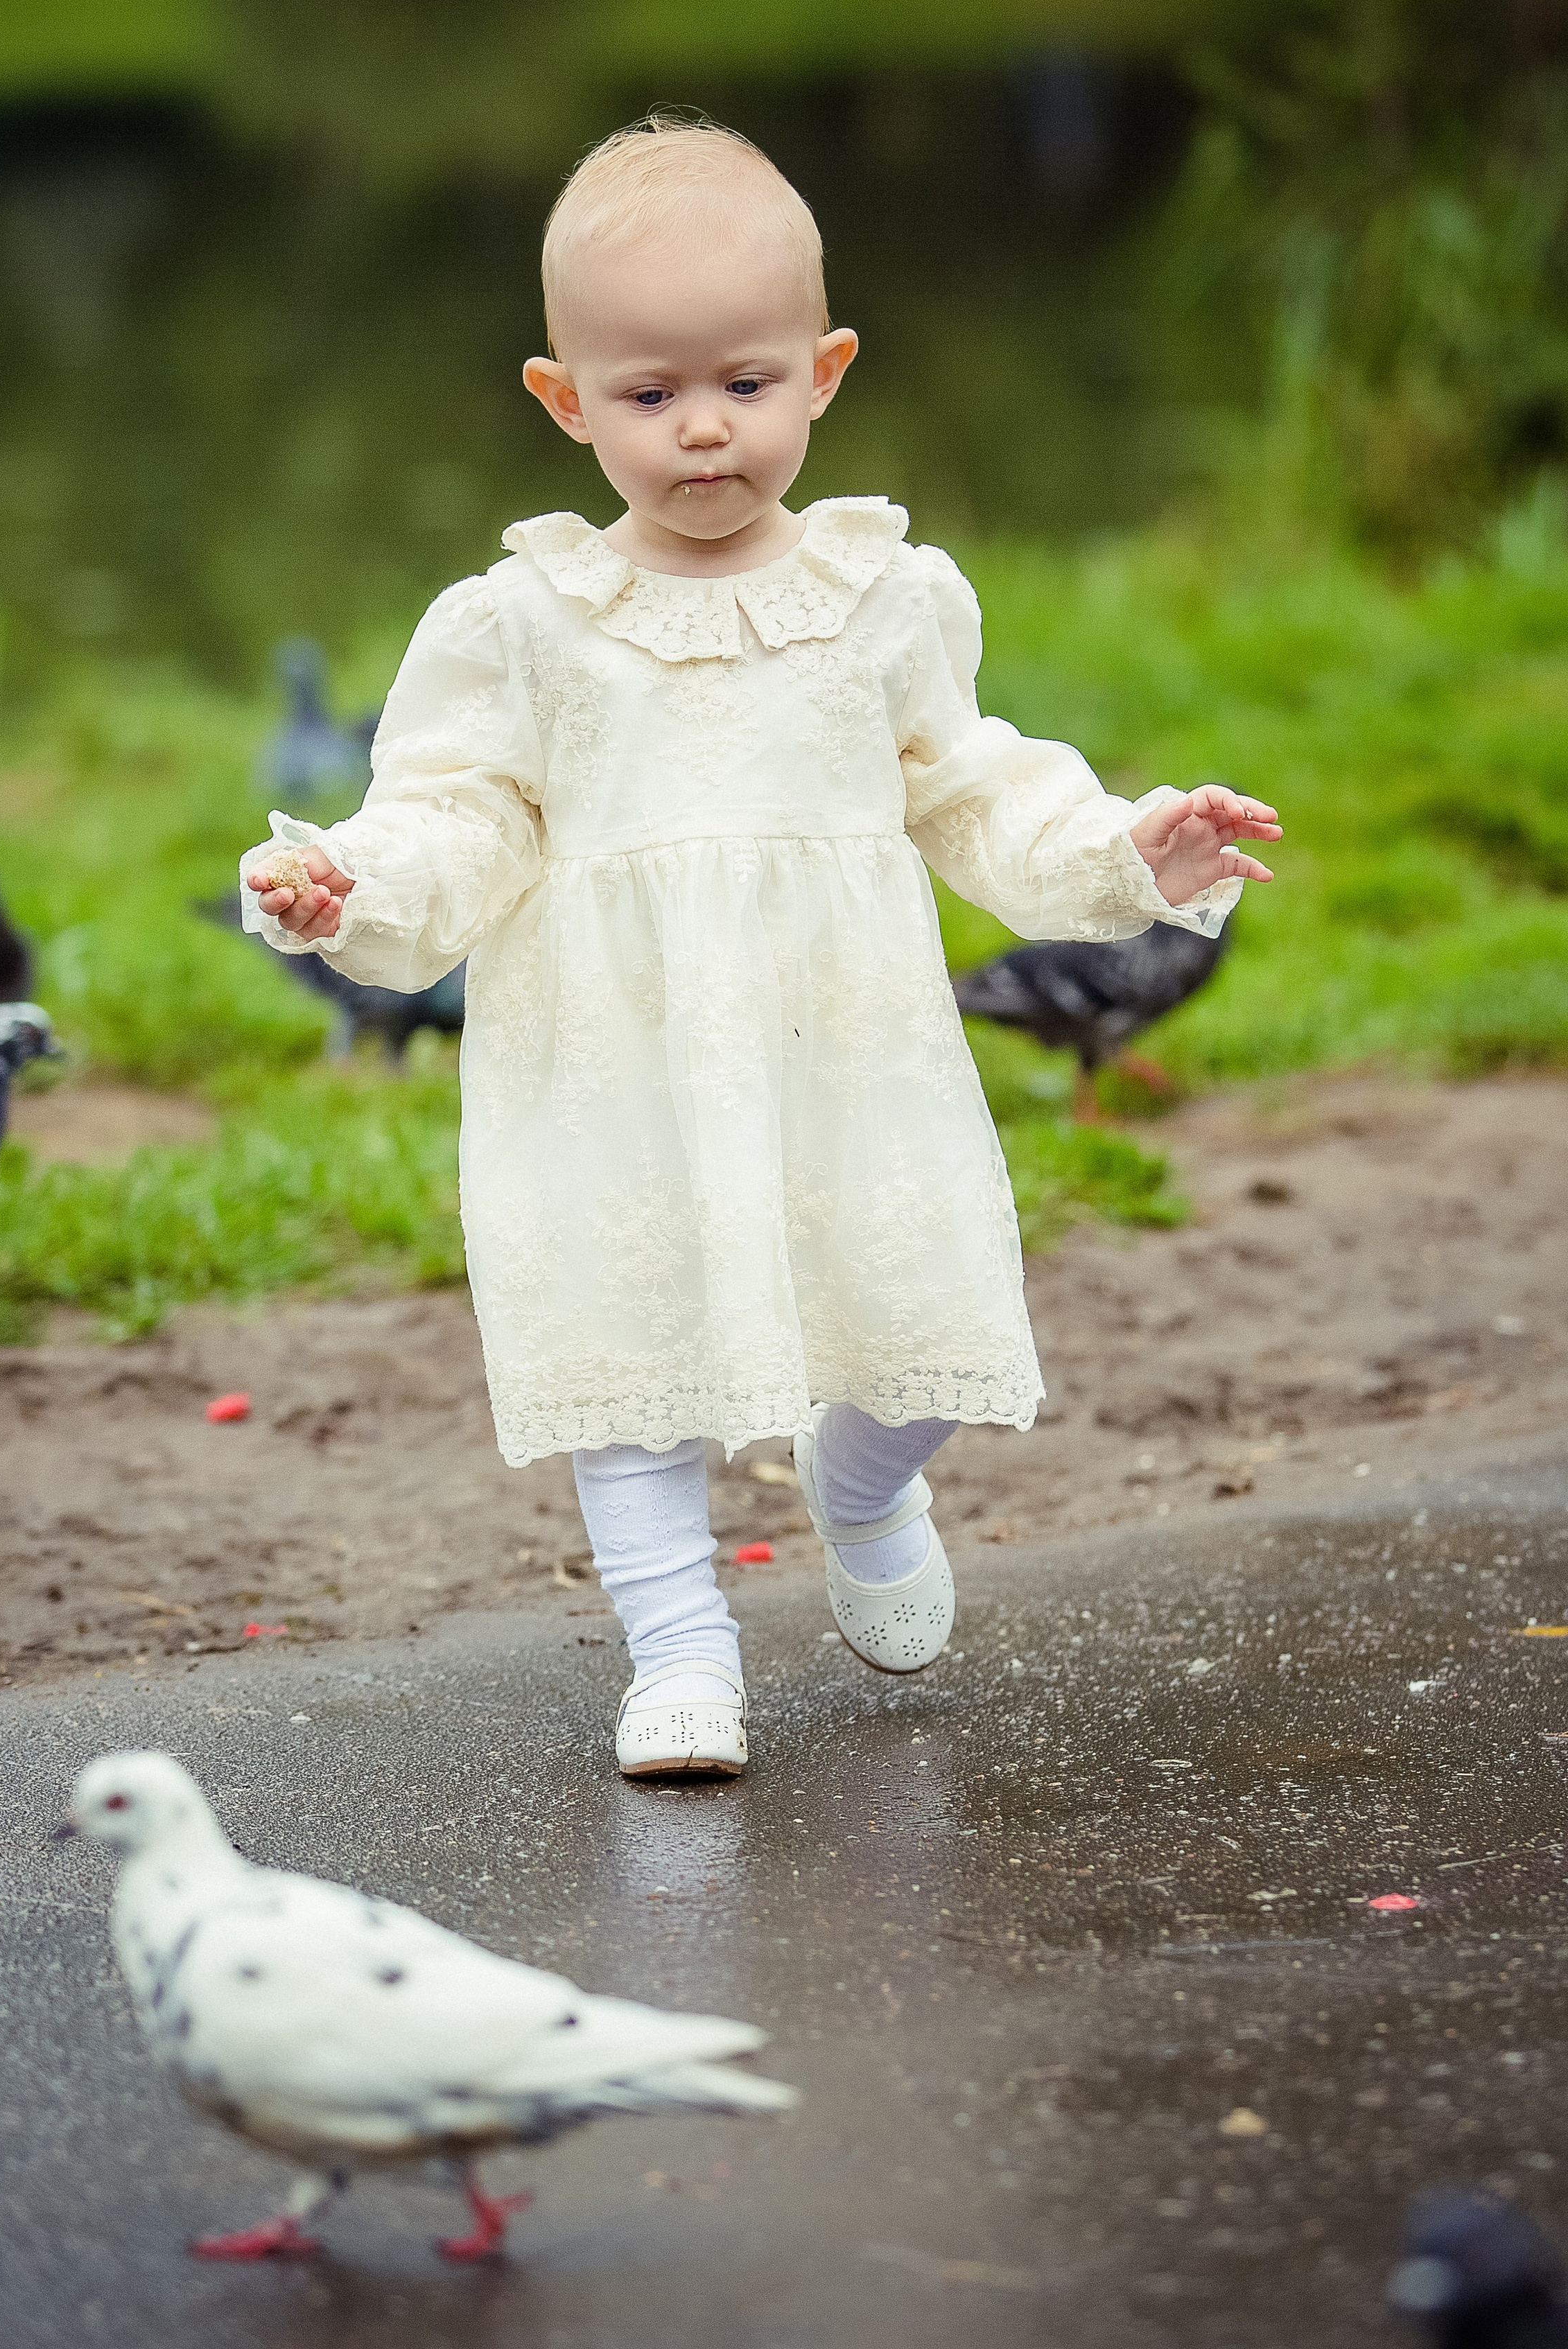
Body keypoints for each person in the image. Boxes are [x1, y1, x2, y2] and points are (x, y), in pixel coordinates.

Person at [242, 114, 1280, 1781]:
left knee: (921, 1297)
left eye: (745, 382)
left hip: (842, 1041)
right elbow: (465, 813)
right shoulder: (521, 629)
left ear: (825, 369)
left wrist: (1121, 848)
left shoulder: (879, 597)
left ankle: (859, 1483)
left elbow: (970, 789)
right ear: (564, 402)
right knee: (629, 1350)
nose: (704, 430)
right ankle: (677, 1653)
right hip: (611, 1056)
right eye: (647, 396)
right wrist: (346, 884)